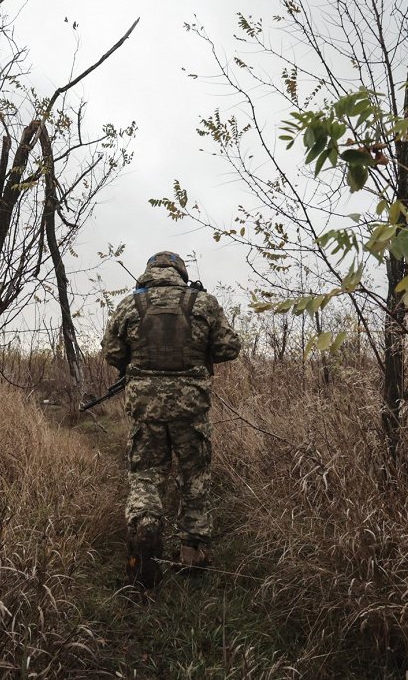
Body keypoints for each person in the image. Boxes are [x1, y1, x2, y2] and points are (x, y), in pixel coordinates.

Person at [101, 250, 241, 589]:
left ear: (149, 272)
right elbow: (228, 348)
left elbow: (112, 352)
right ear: (180, 272)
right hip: (191, 409)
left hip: (146, 409)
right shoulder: (203, 302)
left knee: (146, 475)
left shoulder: (129, 305)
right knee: (194, 475)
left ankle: (146, 526)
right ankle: (192, 554)